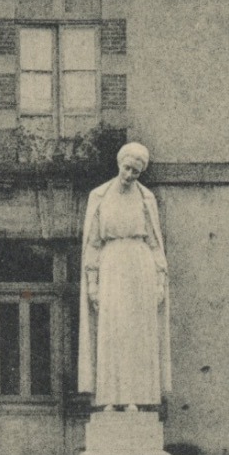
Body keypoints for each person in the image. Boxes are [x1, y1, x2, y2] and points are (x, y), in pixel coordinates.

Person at [77, 141, 172, 410]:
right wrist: (93, 284)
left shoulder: (146, 199)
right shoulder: (99, 196)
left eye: (136, 172)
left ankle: (135, 399)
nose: (130, 175)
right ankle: (108, 399)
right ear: (119, 164)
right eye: (127, 168)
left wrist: (159, 282)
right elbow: (93, 243)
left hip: (139, 265)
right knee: (111, 332)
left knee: (137, 334)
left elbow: (155, 243)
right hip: (111, 264)